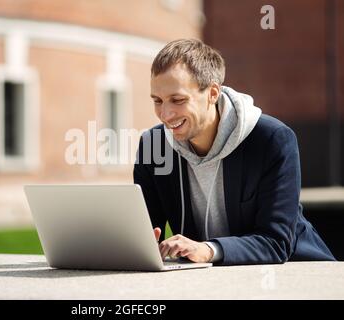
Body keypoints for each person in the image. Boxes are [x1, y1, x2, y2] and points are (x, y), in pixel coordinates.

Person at [133, 39, 336, 265]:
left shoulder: (272, 139)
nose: (165, 114)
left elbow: (276, 242)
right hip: (209, 279)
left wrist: (209, 250)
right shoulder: (154, 146)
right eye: (157, 101)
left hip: (298, 273)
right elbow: (147, 233)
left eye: (178, 100)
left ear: (212, 93)